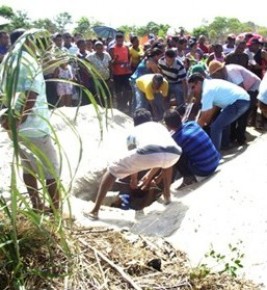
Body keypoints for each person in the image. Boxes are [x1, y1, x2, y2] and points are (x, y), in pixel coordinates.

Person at [0, 29, 60, 213]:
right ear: (27, 42)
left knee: (28, 168)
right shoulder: (27, 61)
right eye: (33, 41)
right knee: (52, 170)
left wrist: (8, 119)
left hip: (15, 127)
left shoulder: (8, 61)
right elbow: (31, 92)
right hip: (33, 126)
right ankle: (56, 211)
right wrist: (20, 118)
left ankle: (37, 206)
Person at [86, 108, 182, 219]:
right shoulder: (159, 126)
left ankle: (94, 211)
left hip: (148, 151)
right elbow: (161, 153)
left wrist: (134, 179)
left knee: (112, 170)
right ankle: (167, 196)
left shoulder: (133, 132)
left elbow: (134, 156)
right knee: (167, 164)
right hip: (175, 152)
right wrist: (148, 176)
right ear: (150, 119)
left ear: (134, 122)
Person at [188, 74, 250, 150]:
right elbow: (212, 110)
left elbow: (204, 117)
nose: (193, 91)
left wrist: (192, 133)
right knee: (221, 121)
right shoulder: (211, 84)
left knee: (215, 127)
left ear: (199, 83)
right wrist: (206, 122)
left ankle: (215, 154)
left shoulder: (207, 91)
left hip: (239, 102)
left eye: (193, 87)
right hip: (242, 100)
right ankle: (225, 145)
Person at [164, 109, 220, 188]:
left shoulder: (175, 139)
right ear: (180, 118)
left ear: (168, 126)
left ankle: (188, 178)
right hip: (216, 162)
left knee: (175, 152)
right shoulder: (192, 124)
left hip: (204, 170)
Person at [208, 60, 261, 142]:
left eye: (215, 75)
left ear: (220, 71)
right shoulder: (223, 76)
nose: (215, 77)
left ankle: (241, 139)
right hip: (245, 89)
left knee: (243, 113)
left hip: (253, 87)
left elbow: (242, 90)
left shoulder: (231, 72)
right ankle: (232, 137)